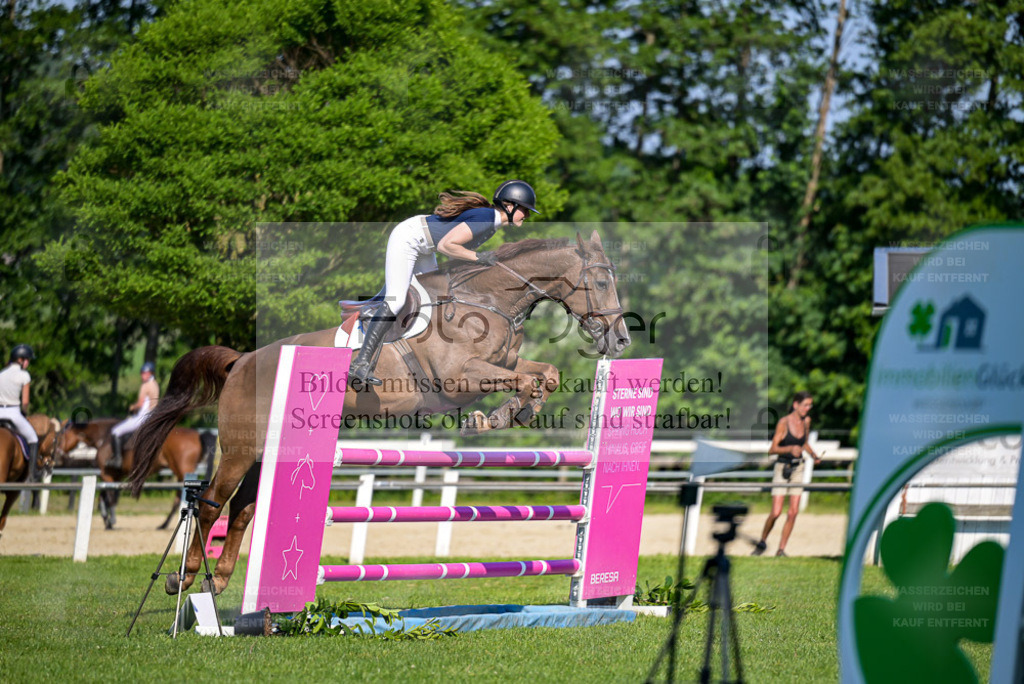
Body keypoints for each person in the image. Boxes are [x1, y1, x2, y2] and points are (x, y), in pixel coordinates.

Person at [348, 180, 540, 386]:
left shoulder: (491, 224)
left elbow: (452, 252)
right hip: (410, 238)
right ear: (509, 206)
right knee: (396, 301)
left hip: (425, 247)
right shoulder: (486, 218)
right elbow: (447, 245)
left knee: (433, 299)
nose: (527, 216)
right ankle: (361, 363)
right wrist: (479, 257)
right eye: (525, 211)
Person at [751, 391, 822, 557]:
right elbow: (772, 449)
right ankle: (762, 542)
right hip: (782, 468)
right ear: (796, 404)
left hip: (798, 468)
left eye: (810, 405)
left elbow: (803, 443)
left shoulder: (807, 421)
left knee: (793, 512)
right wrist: (789, 449)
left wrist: (813, 455)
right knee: (776, 512)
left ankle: (781, 549)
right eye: (805, 405)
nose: (808, 408)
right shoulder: (783, 423)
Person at [108, 361, 160, 469]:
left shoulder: (145, 385)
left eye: (144, 373)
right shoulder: (155, 384)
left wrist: (132, 407)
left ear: (150, 374)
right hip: (152, 416)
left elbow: (140, 403)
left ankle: (117, 459)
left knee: (115, 431)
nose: (142, 375)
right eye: (142, 373)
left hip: (142, 417)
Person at [0, 344, 39, 471]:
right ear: (20, 360)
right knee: (33, 438)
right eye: (27, 359)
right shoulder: (24, 375)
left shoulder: (1, 374)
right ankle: (33, 475)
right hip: (13, 413)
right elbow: (25, 401)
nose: (28, 362)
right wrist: (24, 412)